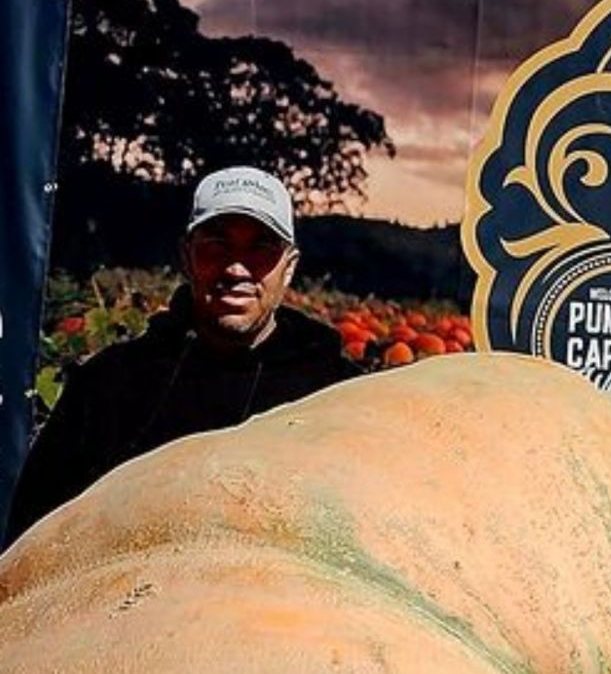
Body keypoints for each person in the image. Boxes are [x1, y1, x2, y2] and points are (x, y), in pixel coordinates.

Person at [4, 167, 360, 546]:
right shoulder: (108, 383)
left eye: (260, 249)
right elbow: (31, 534)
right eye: (217, 245)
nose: (236, 269)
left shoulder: (338, 396)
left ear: (288, 268)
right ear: (188, 257)